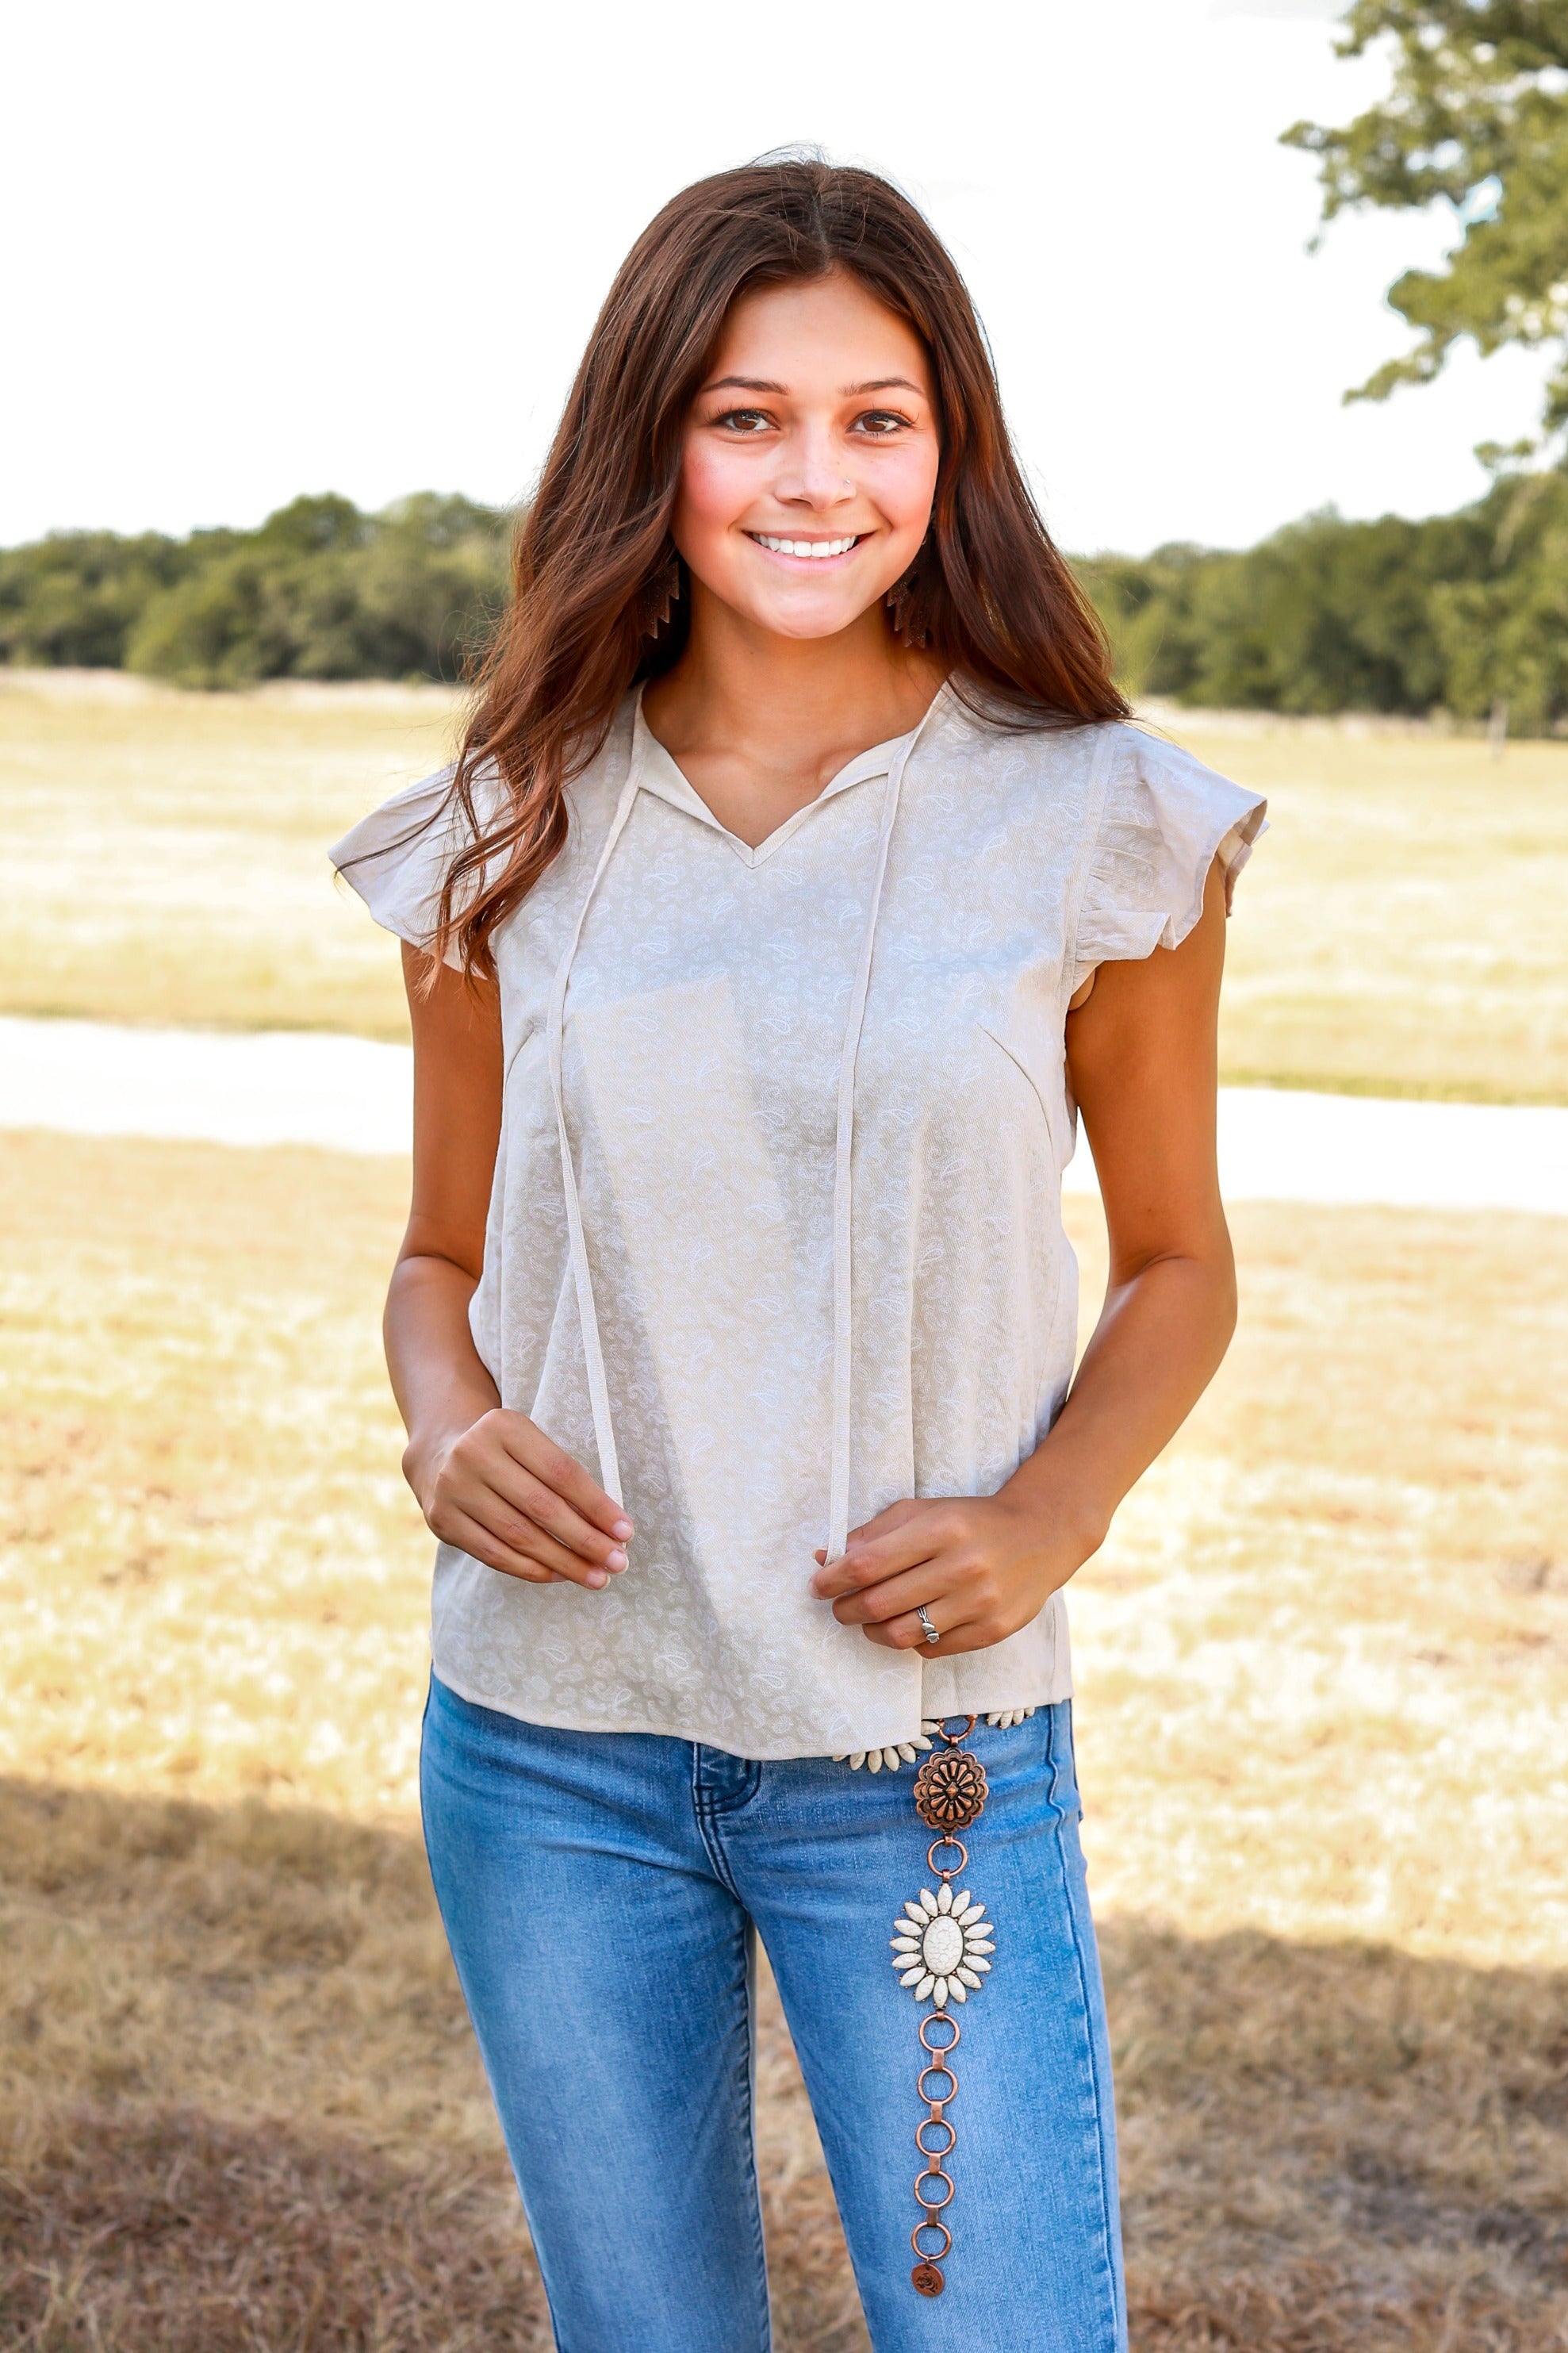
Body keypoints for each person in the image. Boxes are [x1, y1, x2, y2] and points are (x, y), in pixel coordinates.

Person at [331, 154, 1264, 2353]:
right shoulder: (507, 822)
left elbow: (1178, 1261)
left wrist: (1049, 1514)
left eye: (877, 417)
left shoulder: (1096, 815)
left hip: (917, 1760)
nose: (812, 476)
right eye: (745, 415)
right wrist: (443, 1424)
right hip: (553, 1740)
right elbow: (432, 1255)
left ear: (952, 450)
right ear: (651, 439)